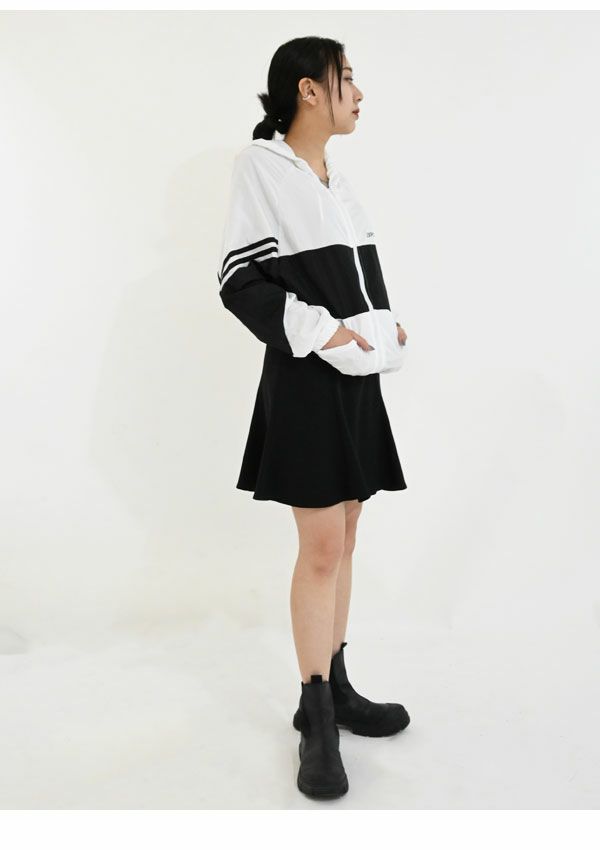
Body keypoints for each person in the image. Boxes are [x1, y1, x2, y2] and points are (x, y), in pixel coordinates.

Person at [218, 36, 410, 800]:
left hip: (355, 377)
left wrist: (383, 327)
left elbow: (360, 279)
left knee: (349, 532)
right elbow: (239, 281)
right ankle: (315, 714)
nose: (357, 93)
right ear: (307, 89)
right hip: (305, 376)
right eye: (346, 79)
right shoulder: (261, 167)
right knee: (323, 546)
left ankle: (338, 682)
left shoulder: (335, 179)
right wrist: (324, 332)